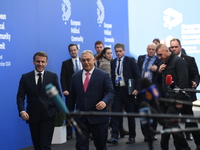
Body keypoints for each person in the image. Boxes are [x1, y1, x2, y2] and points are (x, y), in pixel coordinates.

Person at [67, 50, 114, 150]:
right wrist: (69, 115)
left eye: (88, 60)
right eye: (83, 60)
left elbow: (110, 92)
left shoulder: (103, 75)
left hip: (99, 117)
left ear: (94, 60)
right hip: (81, 118)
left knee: (101, 146)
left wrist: (104, 102)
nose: (86, 62)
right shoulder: (75, 77)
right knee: (81, 147)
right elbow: (71, 97)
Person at [16, 51, 61, 150]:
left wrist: (54, 111)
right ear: (33, 62)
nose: (40, 64)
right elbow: (20, 96)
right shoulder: (25, 77)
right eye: (38, 61)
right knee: (37, 145)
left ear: (46, 63)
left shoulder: (52, 76)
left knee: (45, 145)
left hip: (49, 116)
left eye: (42, 62)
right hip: (33, 116)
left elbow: (57, 96)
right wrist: (22, 111)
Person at [156, 44, 191, 150]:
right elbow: (162, 82)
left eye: (160, 55)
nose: (159, 57)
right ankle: (165, 146)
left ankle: (184, 147)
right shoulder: (164, 62)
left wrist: (179, 99)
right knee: (167, 124)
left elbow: (183, 82)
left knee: (170, 122)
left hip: (176, 98)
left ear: (166, 51)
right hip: (166, 99)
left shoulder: (179, 61)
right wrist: (159, 71)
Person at [107, 43, 141, 145]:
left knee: (130, 114)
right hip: (117, 90)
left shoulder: (130, 60)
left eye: (120, 51)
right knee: (115, 114)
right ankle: (114, 136)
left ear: (124, 51)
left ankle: (132, 136)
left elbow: (138, 75)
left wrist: (137, 89)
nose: (118, 53)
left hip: (128, 91)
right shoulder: (113, 62)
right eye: (116, 51)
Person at [170, 38, 200, 149]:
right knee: (171, 121)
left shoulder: (189, 60)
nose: (173, 49)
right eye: (171, 47)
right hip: (172, 97)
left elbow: (196, 75)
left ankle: (198, 143)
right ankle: (179, 145)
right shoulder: (167, 61)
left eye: (175, 47)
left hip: (185, 96)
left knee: (190, 121)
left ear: (180, 47)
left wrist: (195, 82)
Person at [137, 43, 161, 142]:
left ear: (155, 51)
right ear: (147, 49)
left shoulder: (158, 60)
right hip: (142, 90)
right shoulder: (141, 58)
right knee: (143, 111)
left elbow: (160, 76)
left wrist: (156, 70)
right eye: (149, 49)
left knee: (154, 111)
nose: (151, 51)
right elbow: (137, 73)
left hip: (152, 90)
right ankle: (146, 134)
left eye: (152, 49)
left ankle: (153, 132)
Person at [60, 43, 82, 140]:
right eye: (71, 50)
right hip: (70, 92)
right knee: (69, 112)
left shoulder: (83, 61)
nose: (73, 52)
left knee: (82, 111)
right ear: (69, 52)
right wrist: (64, 89)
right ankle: (69, 132)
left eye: (74, 50)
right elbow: (63, 78)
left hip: (82, 92)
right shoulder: (66, 63)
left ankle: (83, 130)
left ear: (78, 50)